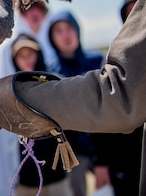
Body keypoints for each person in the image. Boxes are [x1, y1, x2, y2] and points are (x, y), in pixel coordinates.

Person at [0, 0, 146, 196]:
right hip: (40, 166)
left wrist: (19, 97)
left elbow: (119, 94)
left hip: (92, 154)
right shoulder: (43, 61)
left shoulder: (95, 61)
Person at [90, 0, 144, 196]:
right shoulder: (115, 59)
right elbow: (105, 112)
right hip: (124, 164)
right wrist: (101, 162)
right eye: (131, 13)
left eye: (141, 11)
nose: (136, 19)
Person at [47, 10, 104, 196]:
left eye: (69, 28)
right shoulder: (51, 72)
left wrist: (103, 160)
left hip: (105, 147)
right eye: (58, 30)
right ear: (51, 38)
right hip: (73, 153)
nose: (65, 35)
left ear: (77, 30)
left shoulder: (98, 62)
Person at [11, 34, 72, 196]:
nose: (26, 59)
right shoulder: (9, 90)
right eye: (21, 55)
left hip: (58, 173)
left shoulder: (56, 82)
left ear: (39, 54)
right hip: (26, 177)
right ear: (13, 59)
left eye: (30, 53)